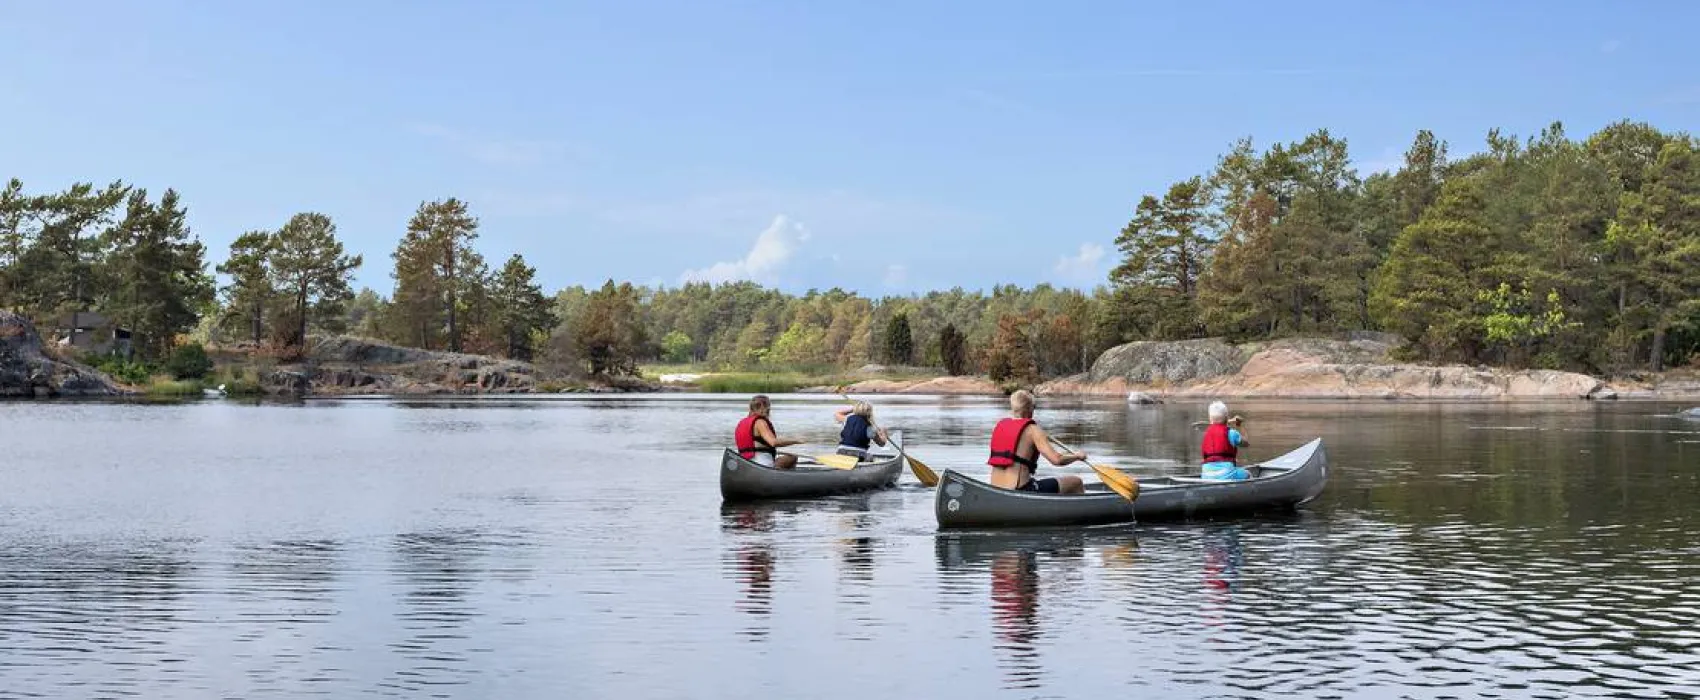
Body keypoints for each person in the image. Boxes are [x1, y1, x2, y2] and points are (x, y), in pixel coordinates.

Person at [986, 389, 1087, 494]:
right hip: (1021, 489)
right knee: (1076, 482)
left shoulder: (1001, 426)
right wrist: (1077, 456)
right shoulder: (1033, 430)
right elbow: (1057, 460)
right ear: (1030, 408)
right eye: (1034, 407)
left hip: (996, 489)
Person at [734, 394, 802, 469]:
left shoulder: (742, 423)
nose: (769, 409)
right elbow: (773, 442)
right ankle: (779, 473)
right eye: (768, 406)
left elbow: (753, 447)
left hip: (746, 464)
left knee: (784, 458)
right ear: (762, 406)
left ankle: (777, 471)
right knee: (792, 457)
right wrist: (796, 440)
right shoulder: (760, 422)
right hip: (762, 464)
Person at [1200, 400, 1251, 480]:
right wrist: (1240, 425)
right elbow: (1246, 443)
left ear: (1210, 419)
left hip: (1206, 475)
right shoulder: (1231, 433)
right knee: (1248, 473)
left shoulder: (1206, 434)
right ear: (1227, 418)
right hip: (1227, 473)